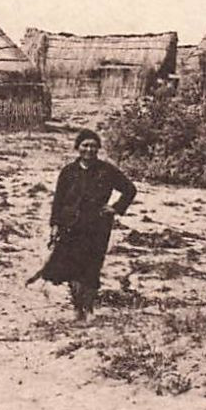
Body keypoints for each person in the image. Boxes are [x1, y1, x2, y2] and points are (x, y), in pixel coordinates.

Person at [29, 128, 137, 321]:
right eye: (85, 145)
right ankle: (77, 307)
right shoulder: (68, 172)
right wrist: (55, 225)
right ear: (77, 147)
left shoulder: (107, 170)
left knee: (92, 266)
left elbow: (129, 189)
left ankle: (88, 307)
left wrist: (115, 208)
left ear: (98, 149)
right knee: (71, 266)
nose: (89, 149)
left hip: (97, 226)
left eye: (93, 146)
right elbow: (58, 200)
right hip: (71, 225)